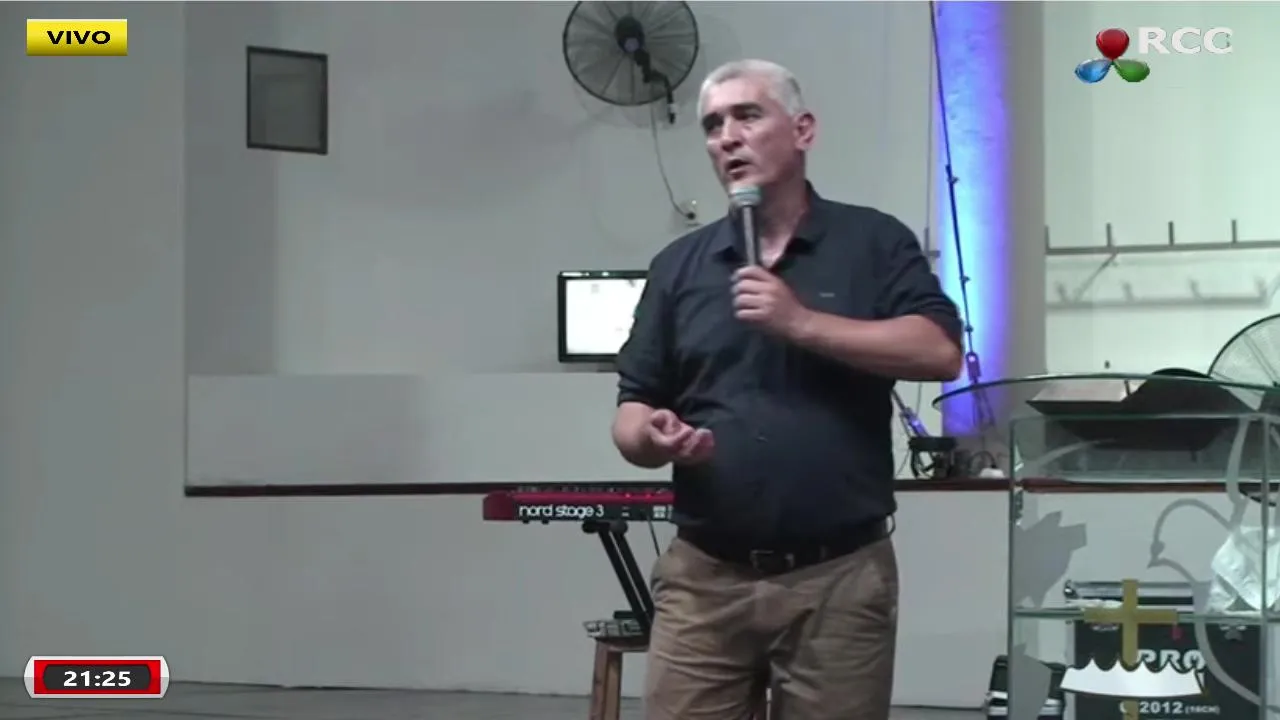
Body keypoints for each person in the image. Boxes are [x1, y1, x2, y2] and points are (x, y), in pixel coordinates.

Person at [610, 59, 965, 720]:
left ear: (802, 130)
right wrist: (652, 437)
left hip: (839, 578)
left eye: (747, 115)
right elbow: (633, 409)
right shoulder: (679, 268)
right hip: (704, 576)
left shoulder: (872, 242)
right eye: (713, 125)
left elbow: (940, 352)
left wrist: (800, 322)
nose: (727, 137)